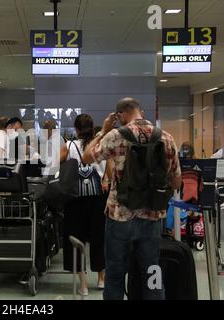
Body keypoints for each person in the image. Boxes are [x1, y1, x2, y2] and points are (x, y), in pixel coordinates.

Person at [82, 97, 182, 300]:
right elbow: (177, 181)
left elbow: (87, 157)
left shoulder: (116, 135)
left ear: (120, 115)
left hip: (119, 215)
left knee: (115, 274)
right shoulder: (166, 138)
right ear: (140, 112)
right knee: (152, 274)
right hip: (152, 215)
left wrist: (103, 131)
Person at [59, 114, 108, 296]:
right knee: (99, 237)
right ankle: (101, 279)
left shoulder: (69, 145)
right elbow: (108, 168)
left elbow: (56, 164)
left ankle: (84, 285)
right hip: (97, 197)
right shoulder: (100, 145)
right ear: (92, 127)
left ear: (76, 129)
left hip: (75, 198)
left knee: (76, 239)